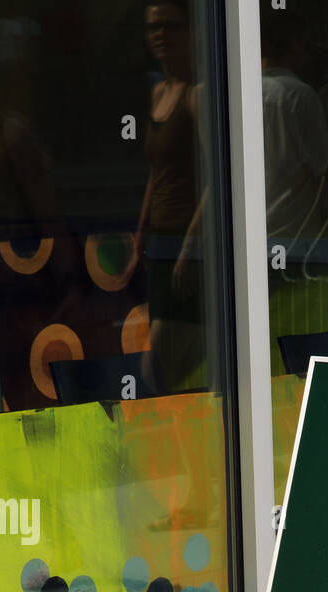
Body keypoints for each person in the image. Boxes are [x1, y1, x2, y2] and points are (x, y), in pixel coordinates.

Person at [135, 0, 206, 391]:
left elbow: (218, 178)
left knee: (158, 364)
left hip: (185, 241)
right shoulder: (159, 91)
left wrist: (191, 247)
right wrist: (141, 230)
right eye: (153, 27)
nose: (160, 35)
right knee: (177, 367)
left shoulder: (198, 94)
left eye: (169, 26)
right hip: (161, 242)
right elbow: (156, 170)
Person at [259, 4, 328, 246]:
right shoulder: (299, 95)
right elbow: (324, 171)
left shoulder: (238, 93)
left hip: (250, 235)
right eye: (306, 43)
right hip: (293, 237)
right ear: (294, 44)